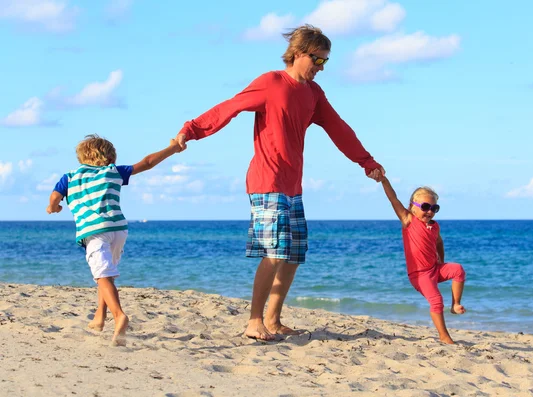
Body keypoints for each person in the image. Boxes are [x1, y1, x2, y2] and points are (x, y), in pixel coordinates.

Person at [175, 24, 385, 341]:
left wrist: (365, 161)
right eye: (317, 59)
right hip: (267, 179)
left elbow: (338, 128)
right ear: (298, 53)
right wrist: (191, 130)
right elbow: (228, 107)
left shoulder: (313, 94)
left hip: (292, 184)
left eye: (325, 62)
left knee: (294, 253)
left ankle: (273, 320)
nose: (321, 67)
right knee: (274, 251)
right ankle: (254, 320)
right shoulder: (271, 83)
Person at [46, 134, 184, 346]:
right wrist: (172, 148)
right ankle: (99, 317)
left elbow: (55, 197)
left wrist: (53, 207)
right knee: (106, 274)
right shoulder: (113, 171)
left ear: (82, 157)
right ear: (110, 157)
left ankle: (119, 315)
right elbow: (147, 163)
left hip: (94, 231)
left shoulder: (70, 177)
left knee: (102, 275)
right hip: (118, 228)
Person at [380, 177, 466, 344]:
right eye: (426, 207)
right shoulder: (408, 220)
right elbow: (393, 198)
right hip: (419, 275)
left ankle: (455, 305)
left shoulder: (435, 226)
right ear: (413, 206)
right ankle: (444, 336)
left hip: (435, 269)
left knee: (458, 269)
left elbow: (439, 242)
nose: (430, 211)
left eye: (434, 208)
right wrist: (384, 180)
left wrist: (442, 260)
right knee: (436, 300)